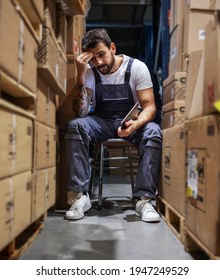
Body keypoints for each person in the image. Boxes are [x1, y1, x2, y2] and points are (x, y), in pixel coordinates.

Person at [64, 29, 162, 223]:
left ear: (113, 48)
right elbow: (81, 112)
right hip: (102, 122)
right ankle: (81, 196)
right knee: (76, 126)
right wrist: (81, 75)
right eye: (93, 59)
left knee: (153, 131)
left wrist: (137, 124)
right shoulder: (91, 72)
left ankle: (144, 200)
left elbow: (150, 106)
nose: (99, 63)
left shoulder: (136, 68)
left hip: (130, 120)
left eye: (102, 54)